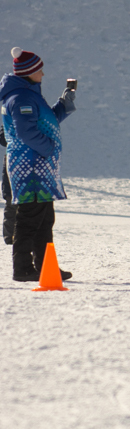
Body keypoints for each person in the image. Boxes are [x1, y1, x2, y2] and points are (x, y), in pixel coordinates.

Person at [2, 48, 76, 282]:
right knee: (30, 218)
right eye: (39, 70)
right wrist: (49, 148)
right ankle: (23, 268)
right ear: (28, 72)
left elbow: (45, 121)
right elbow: (26, 132)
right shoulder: (21, 97)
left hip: (39, 167)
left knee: (44, 219)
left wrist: (63, 105)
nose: (43, 74)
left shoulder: (29, 94)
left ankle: (46, 265)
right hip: (31, 168)